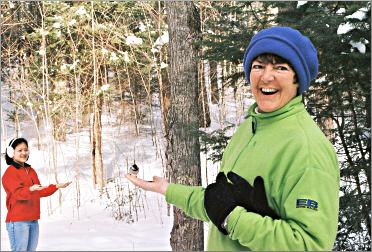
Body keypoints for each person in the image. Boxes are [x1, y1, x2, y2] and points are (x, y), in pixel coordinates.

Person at [125, 26, 340, 251]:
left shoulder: (306, 149)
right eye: (258, 66)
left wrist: (233, 219)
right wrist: (167, 189)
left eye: (281, 67)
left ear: (298, 80)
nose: (267, 76)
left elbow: (310, 245)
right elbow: (219, 201)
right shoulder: (252, 127)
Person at [2, 137, 72, 251]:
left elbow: (39, 191)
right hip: (18, 221)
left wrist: (56, 186)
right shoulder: (10, 173)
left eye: (25, 150)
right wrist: (30, 189)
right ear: (11, 153)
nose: (24, 153)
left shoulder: (31, 170)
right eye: (20, 150)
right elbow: (17, 194)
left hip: (33, 220)